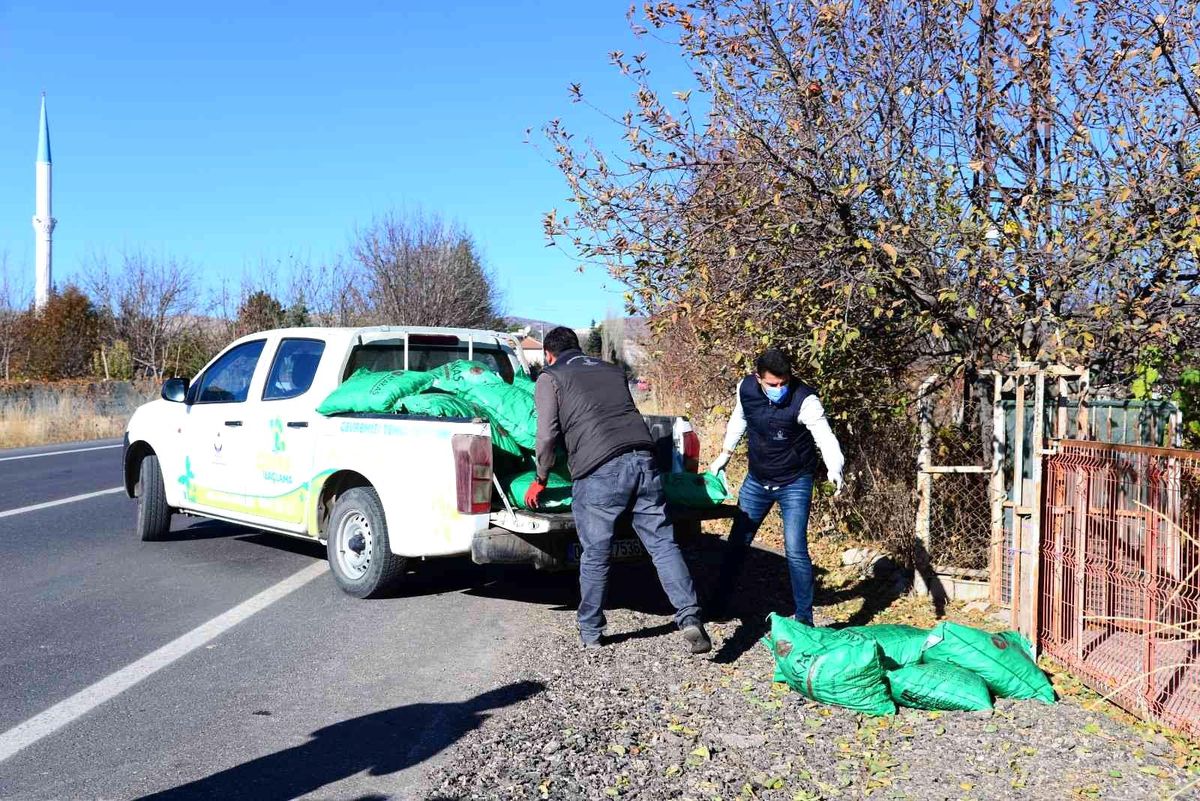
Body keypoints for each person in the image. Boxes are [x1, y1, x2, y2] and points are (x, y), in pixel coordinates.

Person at [525, 327, 711, 654]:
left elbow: (547, 435)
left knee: (595, 552)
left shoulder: (550, 377)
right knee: (663, 544)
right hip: (644, 457)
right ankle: (690, 617)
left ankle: (592, 631)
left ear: (548, 355)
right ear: (578, 347)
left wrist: (541, 477)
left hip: (599, 469)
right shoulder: (611, 370)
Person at [707, 347, 845, 625]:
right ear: (758, 378)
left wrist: (834, 466)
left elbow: (824, 436)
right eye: (772, 384)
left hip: (795, 481)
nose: (779, 388)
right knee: (737, 544)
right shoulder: (745, 388)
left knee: (795, 549)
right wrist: (725, 453)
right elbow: (739, 418)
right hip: (757, 480)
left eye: (784, 383)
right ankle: (717, 606)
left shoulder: (806, 400)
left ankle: (805, 619)